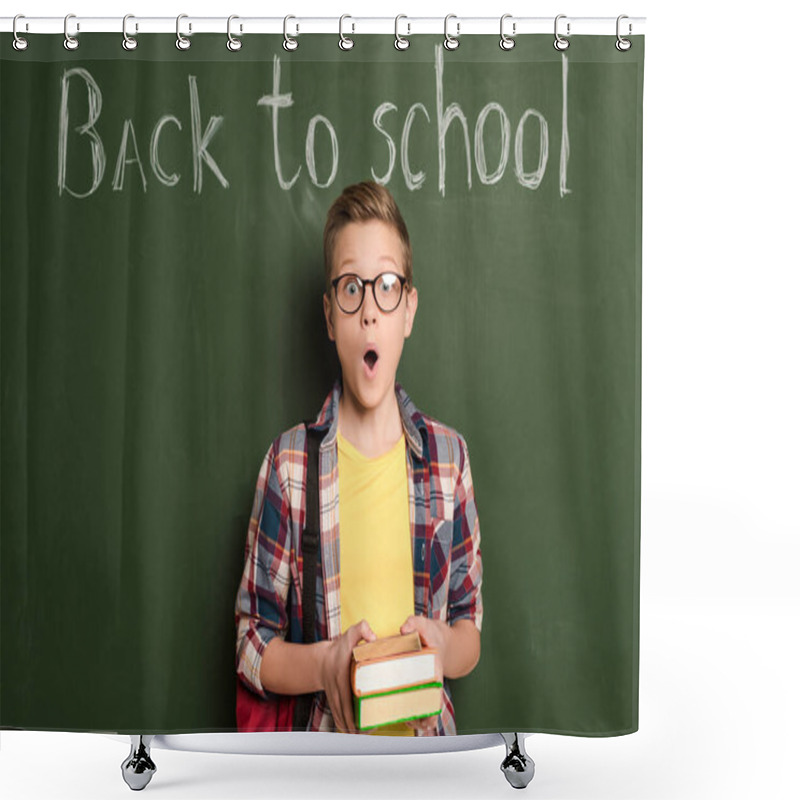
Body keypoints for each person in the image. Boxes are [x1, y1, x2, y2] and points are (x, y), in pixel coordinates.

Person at [235, 180, 482, 736]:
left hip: (427, 765)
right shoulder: (289, 467)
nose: (369, 311)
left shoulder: (449, 461)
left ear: (409, 311)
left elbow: (469, 628)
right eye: (352, 288)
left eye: (387, 286)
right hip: (325, 768)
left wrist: (444, 645)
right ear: (329, 316)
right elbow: (252, 645)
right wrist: (325, 664)